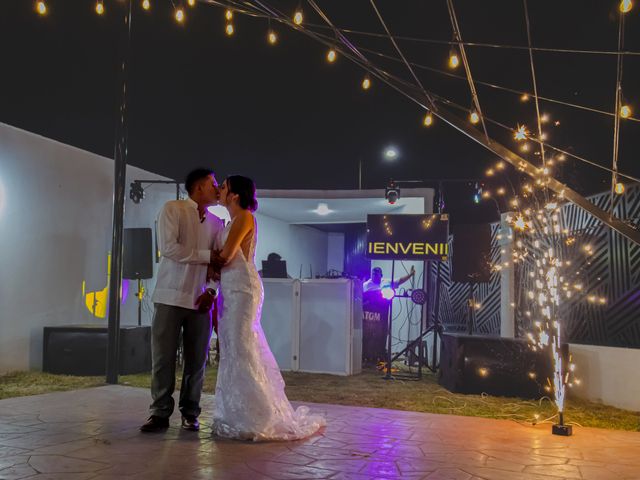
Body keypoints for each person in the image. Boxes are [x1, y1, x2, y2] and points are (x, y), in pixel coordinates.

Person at [209, 175, 325, 441]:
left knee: (243, 347)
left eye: (224, 187)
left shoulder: (245, 217)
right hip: (229, 289)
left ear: (235, 195)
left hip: (244, 289)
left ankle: (259, 414)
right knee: (232, 348)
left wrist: (204, 259)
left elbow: (227, 256)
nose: (220, 190)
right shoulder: (228, 221)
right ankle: (237, 412)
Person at [140, 168, 224, 433]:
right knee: (163, 358)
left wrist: (211, 291)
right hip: (170, 295)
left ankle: (190, 412)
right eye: (213, 183)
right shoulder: (173, 209)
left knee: (196, 360)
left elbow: (219, 264)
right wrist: (207, 255)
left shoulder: (216, 222)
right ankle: (160, 413)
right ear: (199, 187)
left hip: (200, 299)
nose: (217, 187)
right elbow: (169, 249)